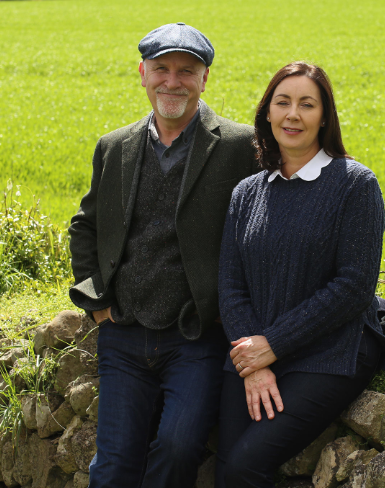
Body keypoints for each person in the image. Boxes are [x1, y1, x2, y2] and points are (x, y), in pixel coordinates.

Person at [68, 22, 256, 487]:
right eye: (162, 69)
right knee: (112, 466)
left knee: (178, 448)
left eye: (186, 71)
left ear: (205, 79)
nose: (173, 82)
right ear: (143, 73)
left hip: (196, 337)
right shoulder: (114, 147)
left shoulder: (240, 146)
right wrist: (99, 306)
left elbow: (262, 231)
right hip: (123, 334)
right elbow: (84, 226)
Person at [215, 62, 385, 488]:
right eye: (282, 102)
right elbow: (230, 286)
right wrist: (255, 361)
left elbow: (353, 287)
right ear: (267, 113)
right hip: (254, 353)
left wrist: (274, 345)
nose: (293, 115)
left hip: (331, 351)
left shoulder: (355, 185)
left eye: (307, 104)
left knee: (246, 466)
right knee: (226, 470)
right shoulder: (246, 193)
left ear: (324, 116)